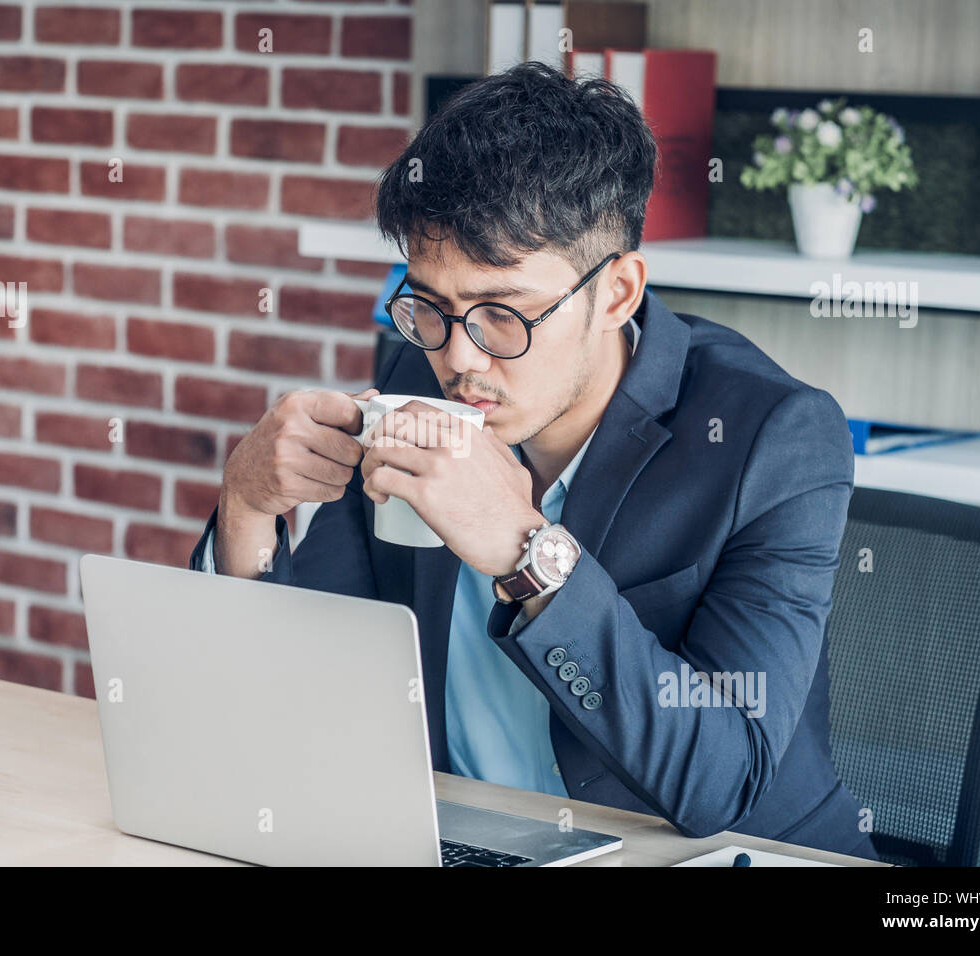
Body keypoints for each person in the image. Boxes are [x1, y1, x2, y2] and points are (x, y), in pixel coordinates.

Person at [189, 61, 877, 861]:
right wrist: (246, 508)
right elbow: (297, 693)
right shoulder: (421, 374)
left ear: (617, 293)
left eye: (504, 314)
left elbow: (719, 784)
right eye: (431, 307)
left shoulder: (776, 437)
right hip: (471, 840)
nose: (461, 359)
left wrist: (526, 552)